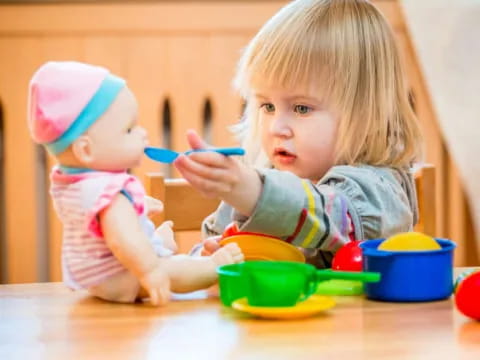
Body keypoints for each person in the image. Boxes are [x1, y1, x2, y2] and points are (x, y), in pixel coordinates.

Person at [174, 0, 423, 267]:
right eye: (267, 106)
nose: (276, 128)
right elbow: (211, 249)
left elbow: (333, 219)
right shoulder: (263, 176)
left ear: (368, 113)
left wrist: (253, 191)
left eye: (302, 108)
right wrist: (207, 258)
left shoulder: (378, 190)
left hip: (358, 311)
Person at [27, 61, 243, 305]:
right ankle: (214, 266)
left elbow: (100, 225)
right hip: (125, 274)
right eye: (129, 130)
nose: (142, 134)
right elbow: (121, 239)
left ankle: (159, 244)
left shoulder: (69, 183)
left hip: (98, 277)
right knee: (174, 269)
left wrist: (135, 210)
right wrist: (151, 270)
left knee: (149, 245)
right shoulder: (111, 193)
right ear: (85, 149)